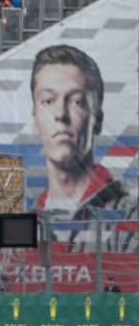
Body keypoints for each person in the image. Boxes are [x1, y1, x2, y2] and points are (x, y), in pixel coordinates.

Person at [30, 45, 137, 253]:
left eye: (77, 101)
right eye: (48, 101)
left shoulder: (130, 215)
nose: (60, 114)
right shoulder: (29, 220)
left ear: (97, 121)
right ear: (35, 119)